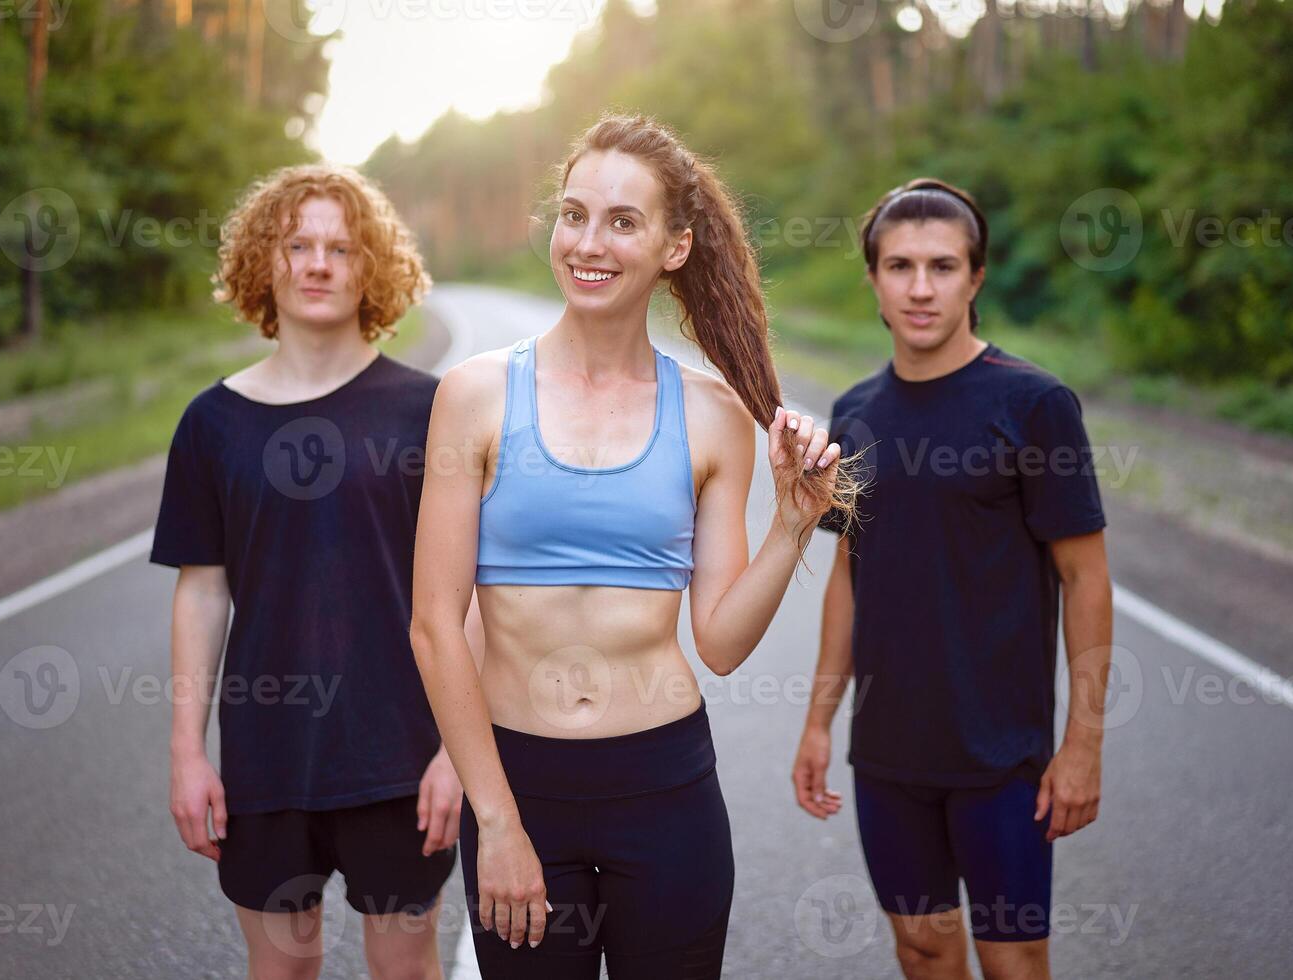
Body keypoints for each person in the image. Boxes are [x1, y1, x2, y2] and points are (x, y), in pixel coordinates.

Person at [408, 114, 861, 979]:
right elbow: (434, 627)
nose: (590, 242)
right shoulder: (473, 397)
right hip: (521, 785)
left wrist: (790, 527)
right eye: (574, 214)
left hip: (666, 788)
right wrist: (496, 819)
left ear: (674, 248)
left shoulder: (712, 415)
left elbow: (722, 644)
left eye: (624, 221)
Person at [151, 163, 473, 980]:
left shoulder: (427, 408)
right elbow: (202, 589)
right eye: (298, 244)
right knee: (283, 971)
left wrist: (458, 753)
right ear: (267, 262)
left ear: (371, 268)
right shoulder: (211, 423)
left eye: (341, 246)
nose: (319, 263)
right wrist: (188, 753)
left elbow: (470, 589)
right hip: (266, 758)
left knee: (405, 970)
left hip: (399, 753)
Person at [792, 179, 1114, 980]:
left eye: (943, 265)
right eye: (900, 266)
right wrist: (819, 719)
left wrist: (1082, 745)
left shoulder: (1034, 404)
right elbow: (845, 573)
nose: (921, 287)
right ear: (873, 280)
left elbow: (1087, 577)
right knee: (924, 949)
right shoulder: (856, 411)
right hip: (891, 752)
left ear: (976, 277)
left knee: (1013, 960)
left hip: (1002, 757)